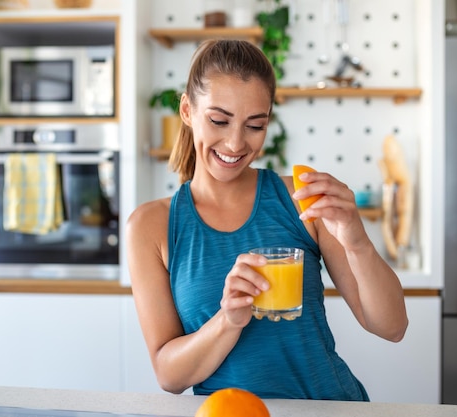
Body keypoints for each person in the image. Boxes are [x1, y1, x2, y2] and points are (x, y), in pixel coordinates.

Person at [126, 39, 408, 401]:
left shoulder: (301, 199)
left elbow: (392, 326)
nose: (235, 143)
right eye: (218, 121)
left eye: (254, 126)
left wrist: (356, 240)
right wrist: (227, 320)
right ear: (186, 110)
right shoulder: (151, 227)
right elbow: (169, 375)